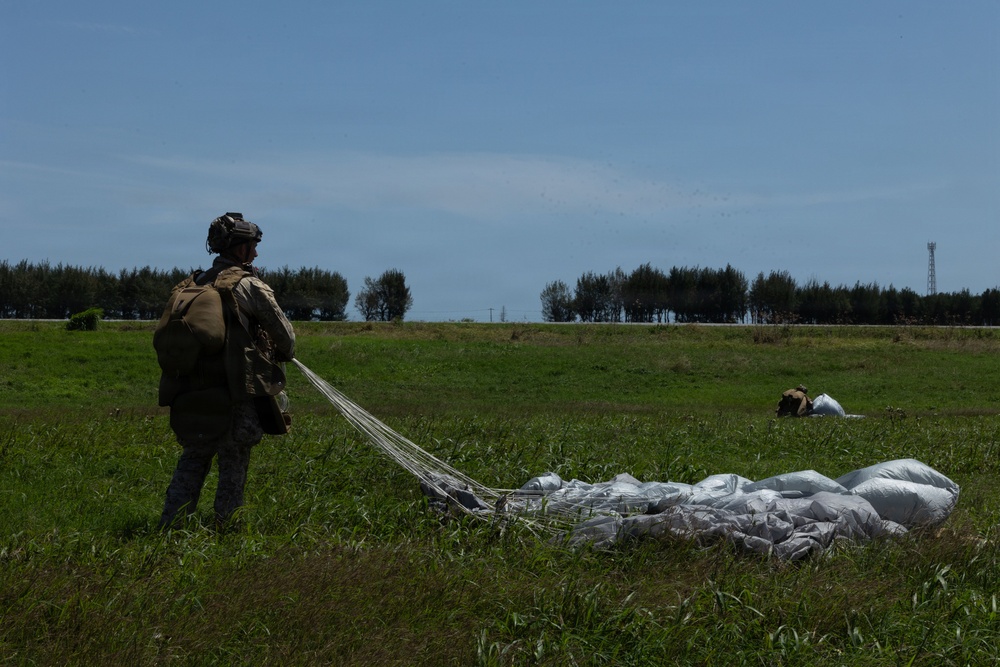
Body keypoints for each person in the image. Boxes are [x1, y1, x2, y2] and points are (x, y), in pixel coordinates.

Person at [157, 212, 296, 530]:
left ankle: (171, 528)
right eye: (252, 246)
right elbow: (287, 341)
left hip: (190, 396)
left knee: (192, 460)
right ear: (240, 248)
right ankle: (226, 530)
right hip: (235, 398)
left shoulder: (192, 285)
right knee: (233, 465)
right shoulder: (250, 286)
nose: (257, 253)